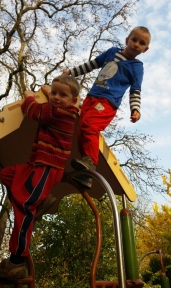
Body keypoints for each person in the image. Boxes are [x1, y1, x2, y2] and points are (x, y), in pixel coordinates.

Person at [0, 75, 80, 279]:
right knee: (6, 174)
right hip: (35, 166)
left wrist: (28, 96)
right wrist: (49, 91)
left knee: (24, 208)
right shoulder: (61, 108)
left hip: (47, 168)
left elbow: (32, 110)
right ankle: (41, 201)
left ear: (73, 101)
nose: (56, 97)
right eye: (55, 93)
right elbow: (52, 95)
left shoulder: (61, 113)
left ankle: (17, 261)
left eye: (63, 95)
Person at [63, 26, 151, 189]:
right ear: (127, 40)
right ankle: (86, 174)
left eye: (142, 43)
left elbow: (135, 90)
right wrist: (72, 72)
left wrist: (135, 109)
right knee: (82, 129)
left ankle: (90, 162)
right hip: (91, 97)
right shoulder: (112, 52)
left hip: (107, 102)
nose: (136, 44)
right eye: (134, 40)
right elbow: (92, 64)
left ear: (145, 49)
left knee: (90, 126)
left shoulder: (137, 67)